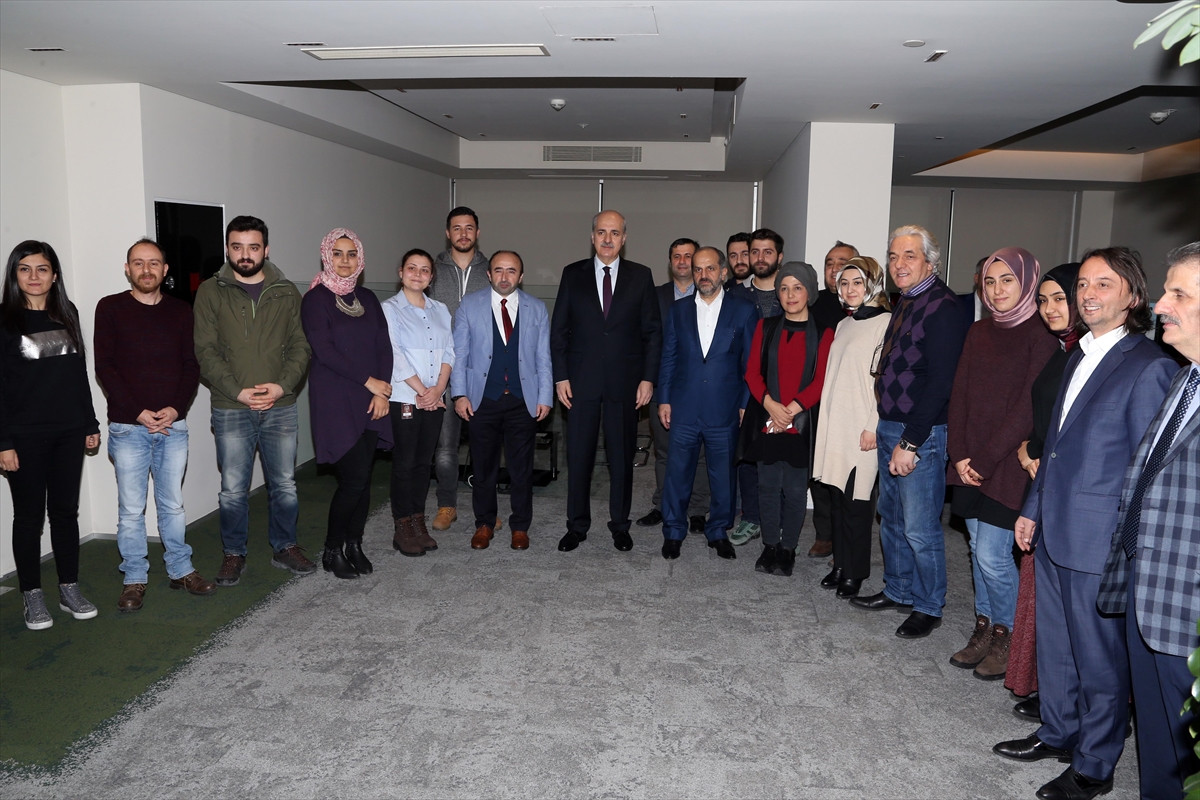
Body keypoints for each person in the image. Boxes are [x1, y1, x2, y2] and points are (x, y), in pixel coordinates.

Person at [993, 247, 1175, 800]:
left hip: (1100, 539)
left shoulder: (1151, 366)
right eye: (1084, 284)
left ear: (1133, 296)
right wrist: (1032, 508)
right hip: (1053, 525)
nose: (1088, 294)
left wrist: (1125, 543)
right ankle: (1058, 731)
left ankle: (1094, 765)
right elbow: (1055, 445)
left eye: (1104, 284)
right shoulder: (1076, 355)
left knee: (1099, 658)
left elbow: (1149, 470)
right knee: (1056, 644)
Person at [1097, 242, 1200, 800]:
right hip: (1149, 588)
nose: (1160, 304)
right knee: (1160, 751)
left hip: (1190, 610)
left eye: (1179, 293)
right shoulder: (1186, 378)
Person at [851, 225, 968, 640]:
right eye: (893, 256)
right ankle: (898, 590)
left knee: (920, 527)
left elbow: (940, 383)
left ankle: (928, 606)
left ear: (930, 262)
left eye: (910, 256)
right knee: (892, 518)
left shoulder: (944, 307)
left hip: (920, 432)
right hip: (890, 425)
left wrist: (910, 442)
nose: (899, 264)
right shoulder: (907, 300)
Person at [945, 247, 1057, 680]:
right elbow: (959, 395)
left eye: (1007, 280)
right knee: (977, 549)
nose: (997, 290)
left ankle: (1008, 636)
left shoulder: (1041, 335)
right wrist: (958, 454)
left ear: (1027, 282)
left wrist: (985, 459)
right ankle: (985, 627)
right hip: (970, 460)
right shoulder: (978, 331)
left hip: (1006, 464)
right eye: (990, 282)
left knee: (993, 555)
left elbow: (1027, 410)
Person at [194, 215, 315, 586]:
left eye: (253, 247)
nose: (245, 254)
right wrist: (238, 392)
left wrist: (281, 387)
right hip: (231, 407)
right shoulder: (210, 292)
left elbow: (301, 346)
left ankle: (285, 546)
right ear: (227, 249)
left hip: (280, 406)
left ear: (266, 249)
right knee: (233, 489)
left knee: (284, 484)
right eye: (237, 247)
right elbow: (205, 350)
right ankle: (234, 553)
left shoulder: (286, 291)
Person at [94, 238, 211, 612]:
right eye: (138, 263)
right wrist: (138, 412)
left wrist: (175, 409)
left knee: (173, 506)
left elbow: (191, 365)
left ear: (165, 270)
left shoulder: (181, 311)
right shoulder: (109, 308)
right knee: (131, 510)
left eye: (154, 263)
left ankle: (181, 570)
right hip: (129, 428)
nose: (146, 270)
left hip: (173, 427)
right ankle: (134, 579)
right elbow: (105, 366)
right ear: (127, 269)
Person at [0, 240, 101, 630]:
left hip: (68, 432)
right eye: (25, 269)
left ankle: (68, 589)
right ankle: (32, 596)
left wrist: (89, 424)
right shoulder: (5, 320)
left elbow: (78, 374)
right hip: (23, 436)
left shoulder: (67, 312)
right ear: (14, 275)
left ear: (54, 275)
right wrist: (3, 442)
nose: (34, 276)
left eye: (42, 269)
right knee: (28, 518)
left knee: (64, 513)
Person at [550, 210, 660, 553]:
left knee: (621, 458)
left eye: (614, 233)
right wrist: (560, 376)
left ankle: (620, 525)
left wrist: (648, 379)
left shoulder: (641, 276)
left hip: (625, 384)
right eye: (601, 232)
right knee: (578, 456)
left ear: (624, 238)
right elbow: (559, 331)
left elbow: (652, 334)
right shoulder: (573, 274)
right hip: (579, 383)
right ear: (592, 237)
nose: (607, 239)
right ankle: (576, 526)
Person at [1006, 261, 1081, 722]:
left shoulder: (1088, 354)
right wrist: (1027, 447)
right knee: (1044, 598)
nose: (1050, 308)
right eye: (1043, 300)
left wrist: (1030, 449)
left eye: (1060, 299)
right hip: (1043, 481)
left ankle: (1063, 700)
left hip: (1067, 492)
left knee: (1069, 607)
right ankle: (1049, 689)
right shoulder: (1064, 350)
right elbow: (1047, 421)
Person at [301, 228, 393, 579]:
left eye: (351, 253)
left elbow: (384, 347)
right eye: (337, 253)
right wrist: (370, 382)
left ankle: (354, 544)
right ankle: (332, 550)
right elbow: (325, 351)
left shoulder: (368, 298)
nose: (344, 260)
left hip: (371, 399)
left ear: (360, 259)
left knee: (364, 479)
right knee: (353, 479)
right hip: (335, 400)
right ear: (326, 256)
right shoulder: (315, 299)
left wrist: (380, 392)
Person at [657, 246, 757, 560]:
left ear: (723, 272)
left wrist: (745, 403)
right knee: (677, 473)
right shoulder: (679, 310)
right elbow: (669, 357)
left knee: (723, 476)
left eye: (710, 268)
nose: (703, 275)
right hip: (683, 406)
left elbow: (750, 364)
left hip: (724, 408)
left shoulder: (744, 310)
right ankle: (673, 530)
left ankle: (718, 531)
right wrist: (664, 399)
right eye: (698, 269)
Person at [451, 250, 553, 550]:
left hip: (523, 400)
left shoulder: (537, 308)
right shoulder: (469, 305)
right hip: (482, 399)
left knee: (521, 469)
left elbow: (543, 357)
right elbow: (459, 354)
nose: (504, 276)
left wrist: (545, 396)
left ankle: (520, 526)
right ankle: (484, 523)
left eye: (511, 271)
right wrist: (459, 394)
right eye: (498, 270)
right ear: (489, 274)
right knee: (484, 468)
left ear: (521, 276)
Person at [743, 261, 833, 578]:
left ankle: (788, 549)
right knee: (767, 487)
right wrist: (771, 405)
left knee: (795, 492)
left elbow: (821, 381)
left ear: (809, 292)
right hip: (768, 420)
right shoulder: (765, 327)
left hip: (801, 424)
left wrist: (791, 410)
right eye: (783, 288)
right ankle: (770, 545)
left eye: (797, 287)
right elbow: (752, 373)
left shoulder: (825, 333)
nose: (790, 294)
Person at [811, 256, 891, 598]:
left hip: (862, 428)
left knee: (857, 504)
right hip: (836, 425)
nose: (849, 289)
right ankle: (841, 565)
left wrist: (873, 425)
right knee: (838, 500)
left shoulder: (886, 323)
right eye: (844, 283)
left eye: (857, 282)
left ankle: (855, 572)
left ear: (873, 284)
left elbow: (884, 380)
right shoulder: (845, 324)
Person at [383, 249, 453, 557]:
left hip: (435, 399)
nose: (418, 274)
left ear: (431, 276)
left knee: (425, 463)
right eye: (412, 268)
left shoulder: (441, 309)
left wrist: (438, 389)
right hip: (405, 398)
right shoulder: (389, 309)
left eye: (425, 270)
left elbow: (450, 351)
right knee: (405, 463)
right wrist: (424, 391)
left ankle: (418, 521)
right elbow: (394, 354)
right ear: (401, 272)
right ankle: (402, 527)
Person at [638, 237, 709, 533]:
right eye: (676, 256)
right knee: (664, 451)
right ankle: (662, 503)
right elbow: (644, 340)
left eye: (688, 256)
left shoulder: (710, 295)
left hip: (700, 388)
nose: (682, 261)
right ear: (670, 263)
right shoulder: (654, 295)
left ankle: (697, 509)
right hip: (662, 386)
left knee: (700, 453)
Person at [428, 207, 489, 533]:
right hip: (443, 374)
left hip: (482, 373)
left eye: (469, 228)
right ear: (447, 233)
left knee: (484, 446)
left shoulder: (491, 270)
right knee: (445, 448)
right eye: (456, 228)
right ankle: (446, 505)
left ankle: (485, 509)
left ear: (477, 232)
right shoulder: (432, 272)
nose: (463, 233)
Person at [727, 228, 785, 548]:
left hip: (785, 394)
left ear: (779, 256)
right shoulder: (735, 297)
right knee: (747, 457)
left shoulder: (792, 293)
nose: (760, 258)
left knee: (781, 459)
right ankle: (751, 517)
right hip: (745, 393)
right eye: (755, 252)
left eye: (767, 251)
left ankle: (779, 522)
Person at [807, 240, 859, 559]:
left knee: (849, 473)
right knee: (818, 470)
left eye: (842, 263)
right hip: (816, 401)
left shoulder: (865, 308)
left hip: (851, 404)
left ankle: (848, 536)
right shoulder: (813, 304)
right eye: (829, 263)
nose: (835, 268)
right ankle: (824, 534)